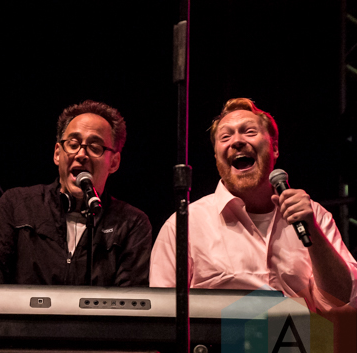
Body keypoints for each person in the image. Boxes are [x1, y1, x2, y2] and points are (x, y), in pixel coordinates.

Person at [150, 97, 357, 311]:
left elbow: (341, 301)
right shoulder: (184, 225)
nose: (237, 141)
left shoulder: (313, 215)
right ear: (216, 156)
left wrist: (312, 230)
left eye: (249, 132)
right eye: (225, 136)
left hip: (302, 332)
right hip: (221, 333)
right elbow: (162, 314)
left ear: (274, 148)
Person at [0, 100, 152, 286]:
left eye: (95, 147)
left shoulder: (131, 223)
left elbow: (130, 297)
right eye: (73, 144)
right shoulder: (16, 204)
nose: (81, 154)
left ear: (114, 162)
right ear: (57, 153)